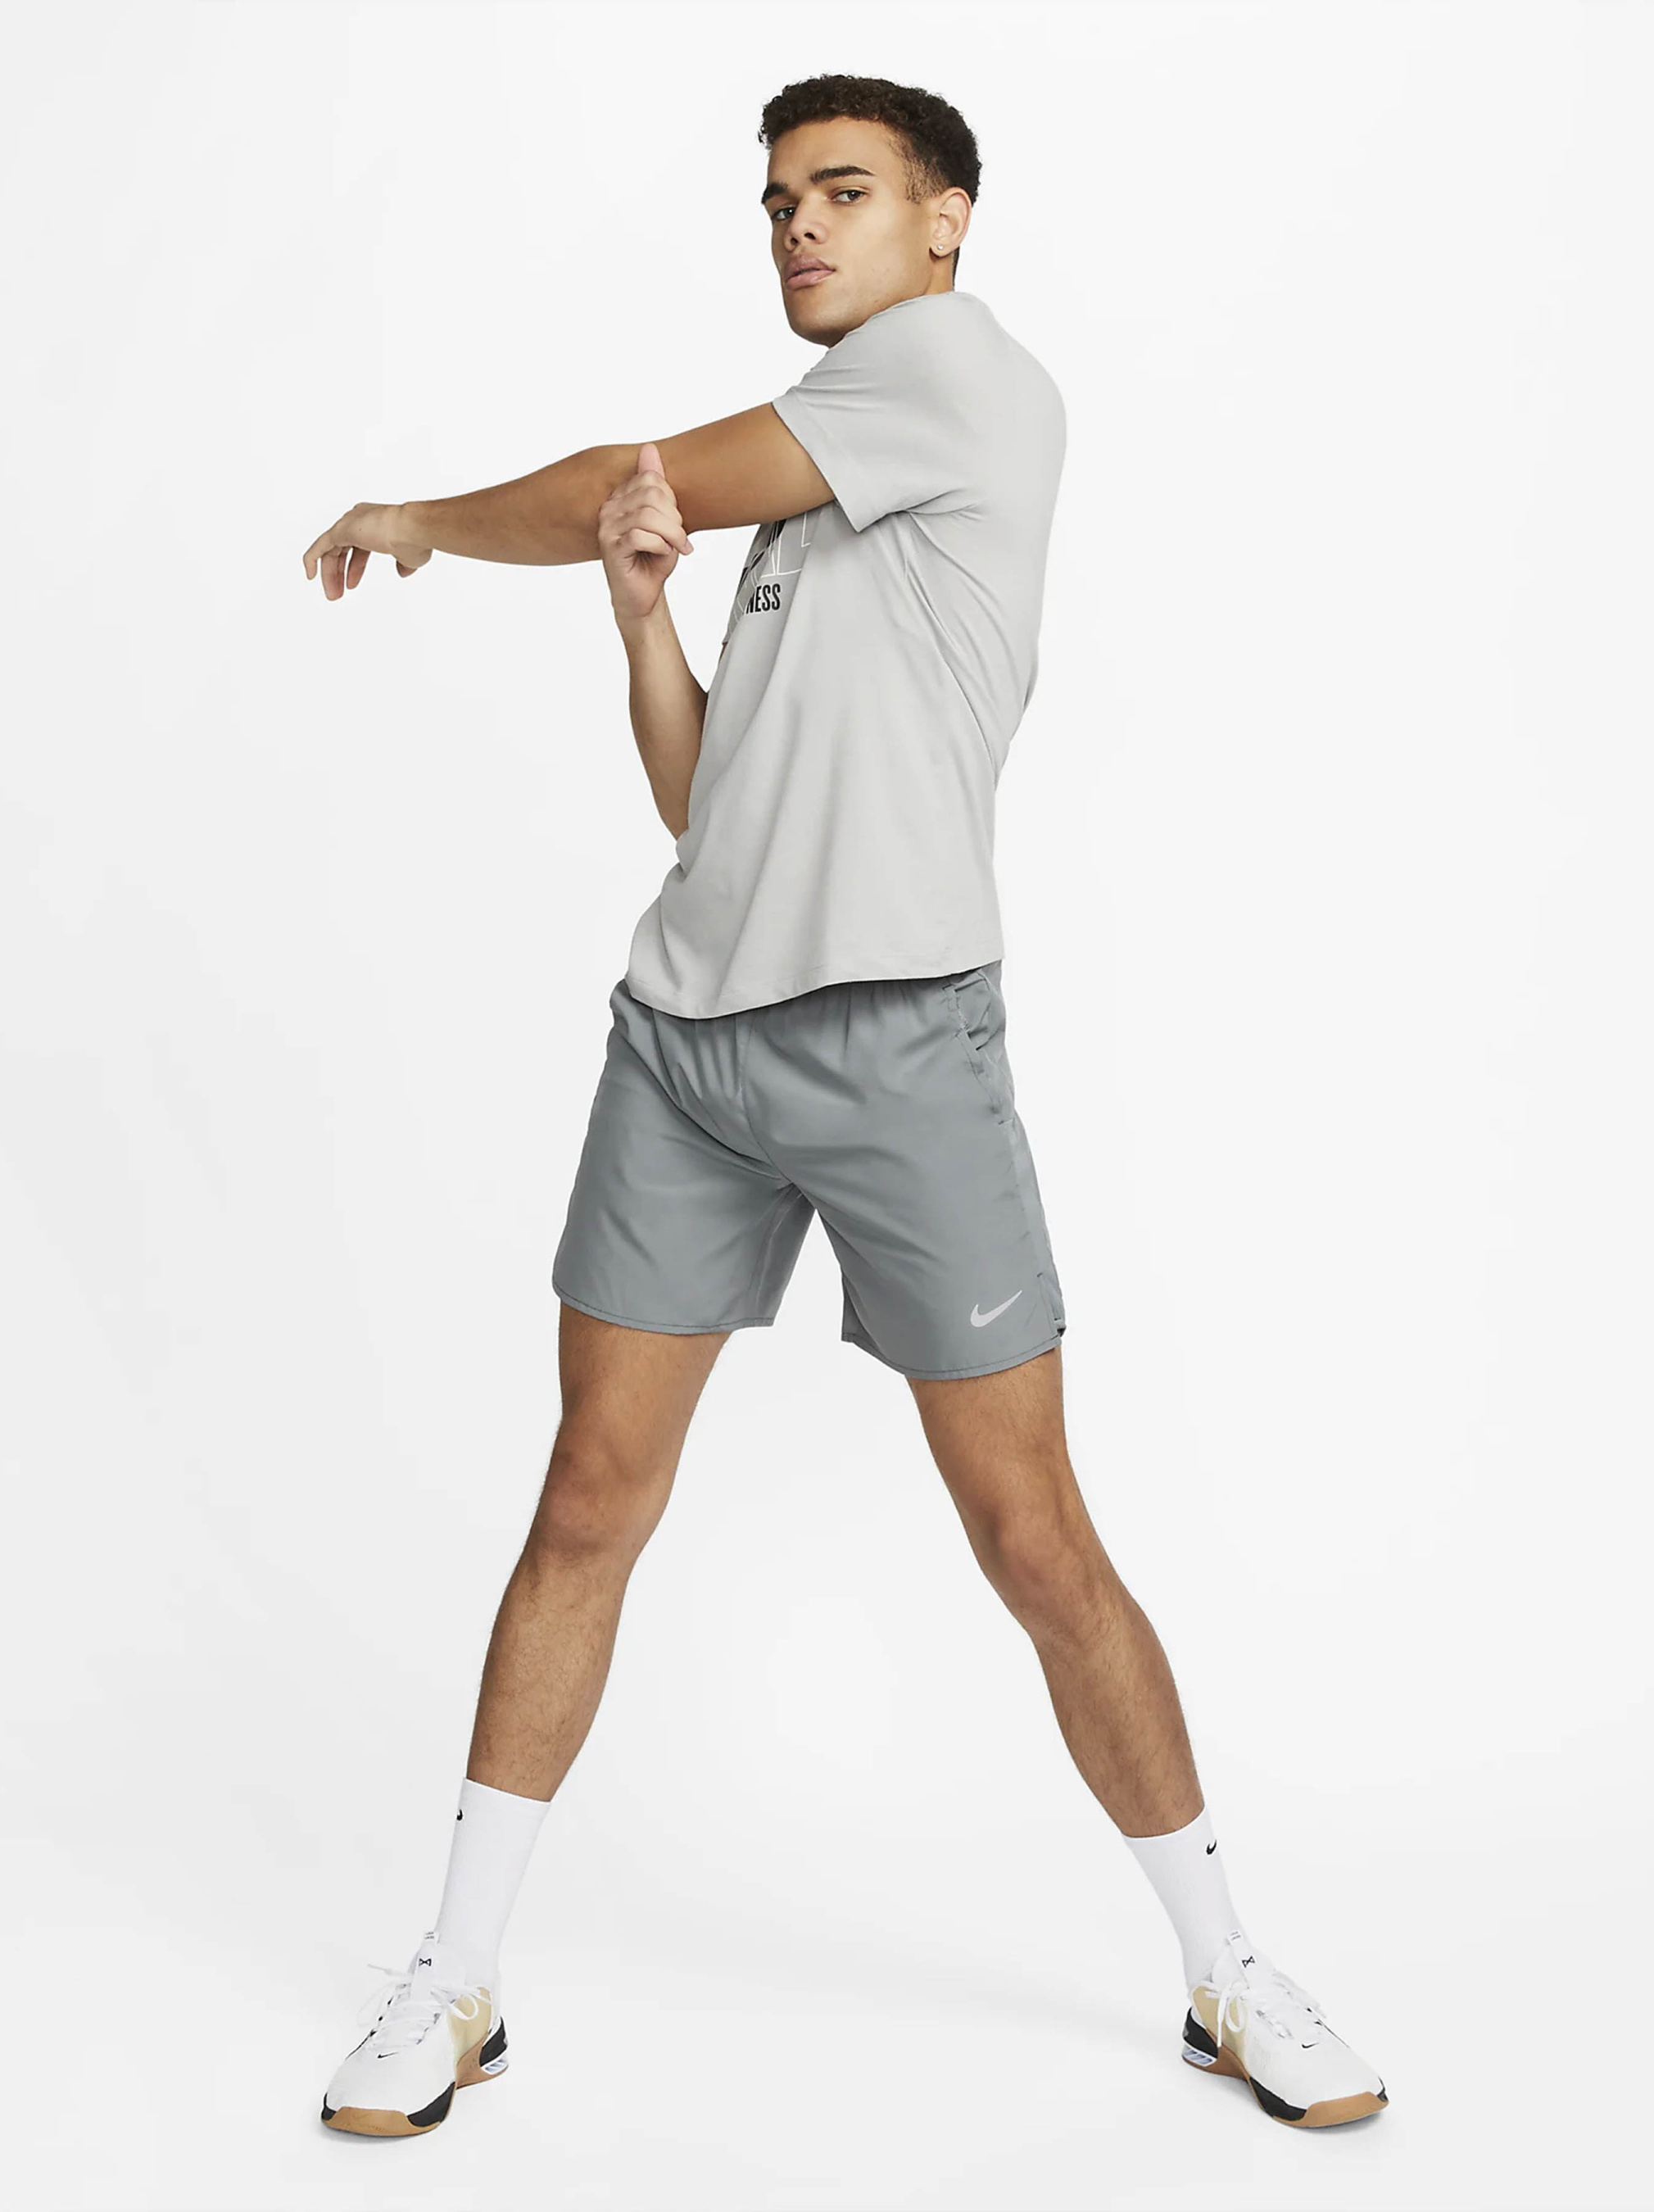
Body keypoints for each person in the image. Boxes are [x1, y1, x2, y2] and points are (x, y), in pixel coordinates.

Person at [301, 73, 1387, 2141]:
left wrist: (423, 517)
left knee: (1032, 1538)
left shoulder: (949, 380)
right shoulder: (814, 489)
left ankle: (1226, 1971)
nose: (800, 226)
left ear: (945, 220)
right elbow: (705, 806)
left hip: (898, 1054)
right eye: (780, 201)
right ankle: (453, 1981)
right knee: (588, 1502)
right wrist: (641, 620)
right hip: (686, 1050)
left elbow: (628, 472)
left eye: (845, 192)